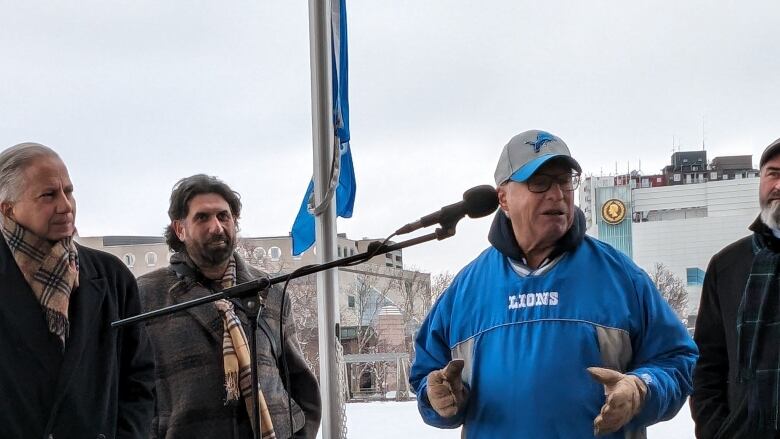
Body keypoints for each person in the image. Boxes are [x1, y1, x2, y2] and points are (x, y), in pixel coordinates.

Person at [409, 130, 698, 438]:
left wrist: (641, 387)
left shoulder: (622, 277)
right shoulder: (465, 289)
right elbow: (427, 376)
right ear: (503, 198)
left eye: (564, 180)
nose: (557, 194)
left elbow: (676, 361)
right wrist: (437, 395)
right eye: (539, 182)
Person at [138, 174, 321, 439]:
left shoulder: (270, 292)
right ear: (180, 229)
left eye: (223, 216)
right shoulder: (146, 295)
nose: (216, 227)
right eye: (202, 218)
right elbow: (130, 391)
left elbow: (299, 381)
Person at [0, 142, 155, 438]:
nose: (65, 206)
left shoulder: (112, 277)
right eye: (48, 195)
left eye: (68, 191)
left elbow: (139, 379)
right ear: (8, 209)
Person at [691, 137, 780, 438]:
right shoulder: (727, 265)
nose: (779, 186)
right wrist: (715, 430)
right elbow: (707, 367)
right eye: (773, 173)